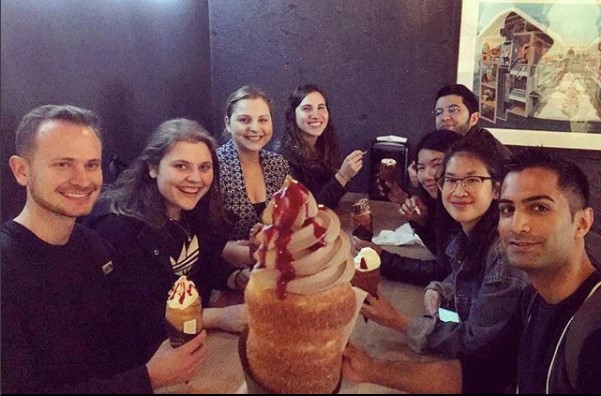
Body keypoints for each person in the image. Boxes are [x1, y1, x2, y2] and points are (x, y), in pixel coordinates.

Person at [342, 148, 601, 394]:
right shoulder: (534, 297)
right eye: (508, 209)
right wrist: (370, 368)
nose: (518, 225)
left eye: (540, 208)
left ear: (582, 223)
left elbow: (473, 343)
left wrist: (397, 322)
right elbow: (480, 374)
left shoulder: (592, 336)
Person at [1, 105, 206, 393]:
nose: (83, 180)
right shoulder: (8, 265)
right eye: (63, 164)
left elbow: (125, 337)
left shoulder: (94, 247)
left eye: (91, 164)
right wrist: (149, 378)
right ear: (22, 171)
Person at [87, 118, 248, 365]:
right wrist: (218, 317)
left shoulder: (193, 207)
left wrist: (235, 278)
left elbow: (201, 262)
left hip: (193, 344)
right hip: (150, 362)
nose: (196, 178)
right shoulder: (120, 228)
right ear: (153, 167)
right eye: (181, 166)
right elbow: (142, 315)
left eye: (204, 167)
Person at [359, 134, 528, 358]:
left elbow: (477, 343)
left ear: (496, 189)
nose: (458, 191)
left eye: (472, 180)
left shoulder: (504, 251)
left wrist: (397, 321)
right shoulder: (468, 234)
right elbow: (460, 274)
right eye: (450, 180)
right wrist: (440, 288)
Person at [353, 130, 461, 285]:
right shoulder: (442, 203)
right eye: (421, 167)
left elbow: (444, 272)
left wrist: (383, 258)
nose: (427, 175)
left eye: (437, 165)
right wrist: (421, 222)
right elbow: (443, 255)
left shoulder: (462, 208)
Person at [217, 86, 290, 267]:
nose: (255, 128)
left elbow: (287, 220)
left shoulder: (278, 164)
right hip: (223, 273)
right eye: (244, 119)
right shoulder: (213, 166)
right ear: (228, 123)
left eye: (263, 120)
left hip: (272, 267)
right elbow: (200, 236)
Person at [278, 84, 364, 209]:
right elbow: (309, 211)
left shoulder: (325, 143)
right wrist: (343, 176)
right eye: (307, 108)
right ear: (293, 114)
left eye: (321, 108)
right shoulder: (282, 156)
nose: (315, 115)